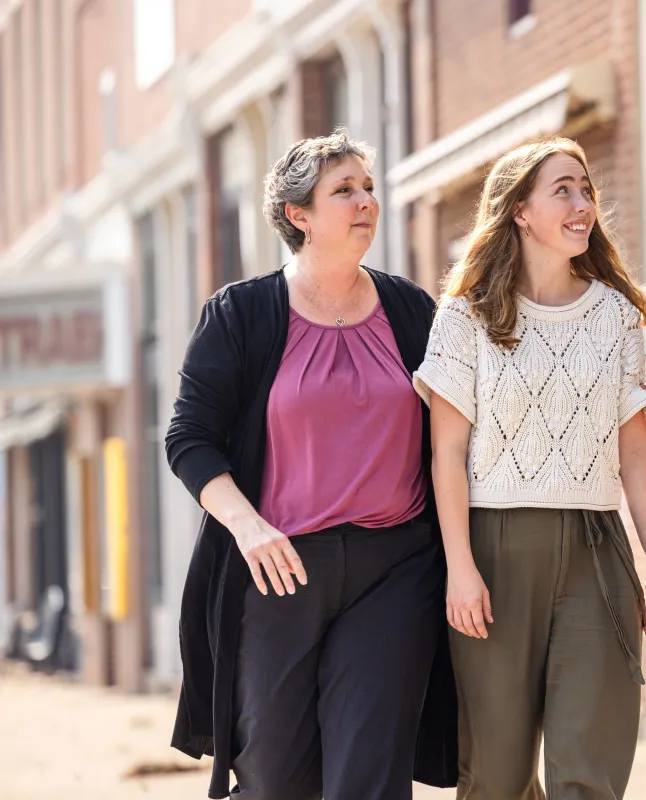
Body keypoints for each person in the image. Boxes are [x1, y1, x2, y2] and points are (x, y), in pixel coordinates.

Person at [165, 128, 456, 800]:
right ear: (298, 215)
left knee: (369, 770)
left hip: (396, 568)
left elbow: (461, 422)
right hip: (281, 568)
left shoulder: (410, 311)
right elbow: (190, 438)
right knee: (274, 777)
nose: (365, 203)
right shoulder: (241, 314)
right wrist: (248, 526)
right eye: (344, 190)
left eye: (368, 188)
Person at [413, 136, 646, 800]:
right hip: (493, 551)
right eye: (563, 189)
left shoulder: (616, 314)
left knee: (590, 762)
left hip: (596, 551)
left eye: (586, 189)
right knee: (495, 776)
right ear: (520, 211)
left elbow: (634, 451)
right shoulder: (465, 317)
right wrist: (460, 568)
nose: (583, 202)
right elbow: (444, 453)